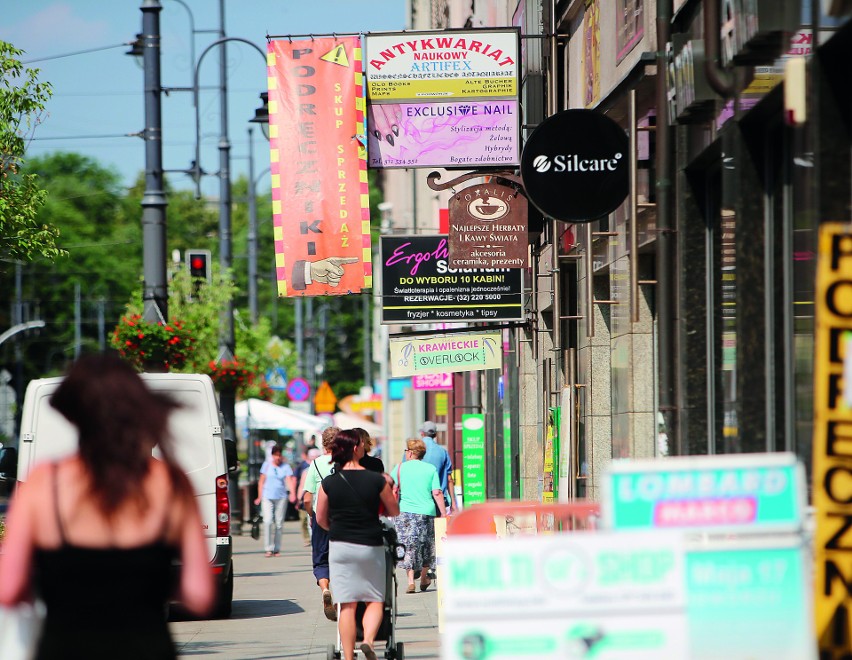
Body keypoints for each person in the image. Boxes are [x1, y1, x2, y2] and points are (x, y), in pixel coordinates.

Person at [0, 353, 214, 660]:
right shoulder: (168, 482)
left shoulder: (44, 482)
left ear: (74, 414)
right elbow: (200, 595)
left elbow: (9, 589)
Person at [315, 429, 399, 660]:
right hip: (370, 545)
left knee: (347, 604)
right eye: (361, 444)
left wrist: (337, 529)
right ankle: (369, 641)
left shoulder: (328, 483)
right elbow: (393, 511)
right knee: (374, 599)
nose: (364, 447)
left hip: (340, 546)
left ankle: (349, 656)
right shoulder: (377, 480)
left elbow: (321, 518)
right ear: (355, 448)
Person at [392, 437, 446, 594]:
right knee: (427, 545)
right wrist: (442, 513)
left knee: (408, 545)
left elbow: (391, 487)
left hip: (403, 513)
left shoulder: (399, 468)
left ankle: (410, 581)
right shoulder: (430, 469)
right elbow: (437, 492)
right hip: (426, 512)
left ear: (409, 453)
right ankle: (423, 577)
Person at [302, 425, 340, 621]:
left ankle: (325, 588)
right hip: (344, 517)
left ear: (323, 444)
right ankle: (345, 594)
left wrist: (311, 515)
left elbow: (307, 498)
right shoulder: (347, 462)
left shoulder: (316, 464)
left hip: (322, 517)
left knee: (321, 557)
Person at [253, 445, 296, 557]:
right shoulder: (266, 466)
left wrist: (292, 493)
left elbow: (289, 480)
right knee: (267, 521)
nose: (277, 457)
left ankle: (276, 548)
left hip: (281, 497)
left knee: (279, 523)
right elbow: (261, 482)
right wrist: (259, 496)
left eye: (279, 455)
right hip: (267, 497)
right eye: (275, 455)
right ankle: (268, 548)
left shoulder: (285, 466)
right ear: (272, 455)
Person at [419, 421, 455, 513]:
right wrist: (454, 503)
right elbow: (449, 478)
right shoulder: (443, 452)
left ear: (422, 433)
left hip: (418, 499)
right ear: (435, 435)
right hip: (439, 501)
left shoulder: (413, 452)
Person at [293, 446, 313, 547]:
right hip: (304, 495)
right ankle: (307, 538)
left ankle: (311, 539)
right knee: (304, 520)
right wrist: (298, 498)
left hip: (310, 497)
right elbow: (297, 481)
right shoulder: (302, 467)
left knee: (310, 520)